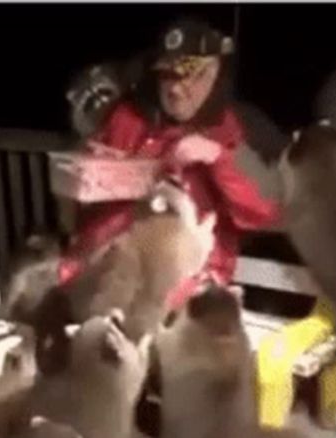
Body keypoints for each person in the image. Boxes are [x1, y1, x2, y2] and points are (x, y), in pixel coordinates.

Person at [58, 18, 281, 308]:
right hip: (114, 263)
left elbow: (265, 210)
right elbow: (85, 211)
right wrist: (93, 168)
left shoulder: (236, 127)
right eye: (167, 75)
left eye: (189, 76)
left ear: (215, 71)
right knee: (54, 286)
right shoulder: (128, 117)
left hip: (187, 274)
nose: (175, 89)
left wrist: (217, 157)